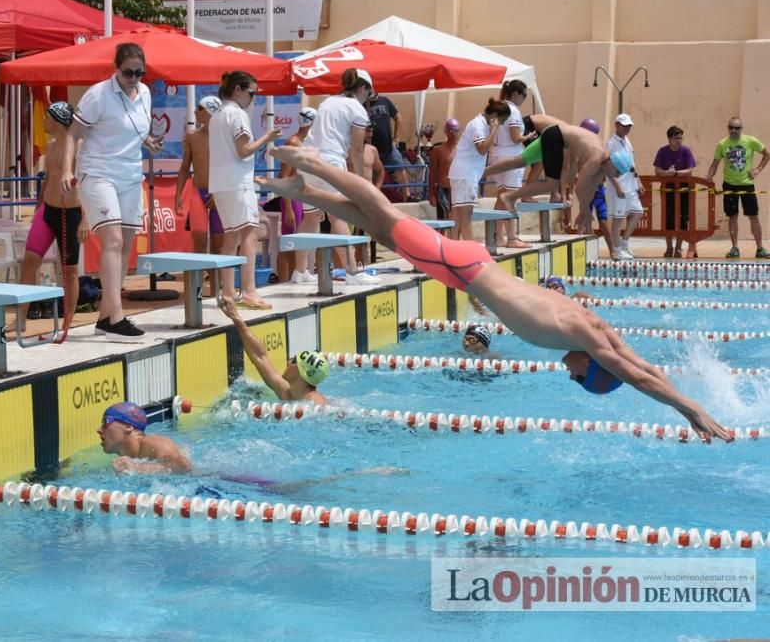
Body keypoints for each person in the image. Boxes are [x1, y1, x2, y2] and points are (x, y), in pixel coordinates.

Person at [256, 144, 731, 440]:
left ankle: (306, 189)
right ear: (593, 368)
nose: (570, 376)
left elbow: (638, 364)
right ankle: (317, 166)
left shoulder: (593, 331)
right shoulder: (588, 340)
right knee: (382, 212)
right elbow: (638, 375)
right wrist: (690, 409)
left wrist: (690, 399)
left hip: (468, 267)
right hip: (459, 266)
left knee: (380, 228)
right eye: (579, 379)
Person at [59, 43, 163, 338]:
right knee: (113, 241)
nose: (134, 78)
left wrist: (148, 142)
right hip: (98, 172)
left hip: (130, 174)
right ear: (116, 68)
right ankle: (117, 318)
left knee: (125, 245)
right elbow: (73, 134)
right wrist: (67, 169)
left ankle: (105, 317)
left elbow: (131, 130)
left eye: (139, 72)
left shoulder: (144, 93)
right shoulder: (98, 95)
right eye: (128, 72)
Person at [100, 401, 405, 488]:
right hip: (213, 478)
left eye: (106, 421)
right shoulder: (143, 449)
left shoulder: (153, 442)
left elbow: (183, 467)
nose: (100, 430)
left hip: (222, 477)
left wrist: (136, 468)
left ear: (128, 428)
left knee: (292, 489)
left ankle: (365, 475)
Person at [482, 114, 631, 236]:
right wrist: (585, 211)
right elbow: (580, 188)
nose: (615, 176)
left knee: (519, 161)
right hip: (555, 137)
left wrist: (583, 212)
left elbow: (591, 188)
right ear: (613, 163)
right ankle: (509, 196)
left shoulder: (604, 164)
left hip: (553, 134)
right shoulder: (597, 158)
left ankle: (481, 172)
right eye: (617, 172)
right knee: (552, 184)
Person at [208, 71, 282, 310]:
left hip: (220, 184)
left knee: (230, 238)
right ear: (238, 90)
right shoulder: (237, 115)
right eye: (252, 93)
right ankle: (249, 290)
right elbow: (244, 150)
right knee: (250, 234)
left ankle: (228, 292)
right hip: (237, 183)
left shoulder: (216, 115)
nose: (254, 98)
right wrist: (267, 138)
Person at [299, 68, 377, 286]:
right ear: (363, 88)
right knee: (338, 216)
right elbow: (357, 150)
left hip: (307, 159)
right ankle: (352, 272)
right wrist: (361, 182)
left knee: (311, 217)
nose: (367, 99)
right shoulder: (357, 110)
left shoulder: (327, 102)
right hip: (331, 161)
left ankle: (300, 271)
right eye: (369, 94)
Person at [16, 102, 89, 334]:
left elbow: (88, 183)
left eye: (46, 117)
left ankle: (67, 322)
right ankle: (20, 319)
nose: (43, 121)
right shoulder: (50, 145)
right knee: (29, 261)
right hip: (48, 211)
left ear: (57, 120)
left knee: (70, 271)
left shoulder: (79, 147)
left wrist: (87, 218)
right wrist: (38, 209)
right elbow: (48, 179)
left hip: (72, 213)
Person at [217, 293, 328, 404]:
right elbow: (260, 357)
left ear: (304, 372)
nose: (288, 362)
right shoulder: (287, 392)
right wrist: (235, 316)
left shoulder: (315, 401)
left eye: (294, 361)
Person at [704, 117, 770, 259]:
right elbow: (715, 163)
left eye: (737, 128)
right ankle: (734, 248)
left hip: (746, 184)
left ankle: (760, 248)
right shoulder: (722, 144)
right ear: (728, 127)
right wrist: (709, 177)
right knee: (732, 217)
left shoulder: (750, 141)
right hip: (729, 185)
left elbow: (767, 154)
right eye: (731, 127)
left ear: (741, 128)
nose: (733, 130)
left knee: (754, 217)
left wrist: (758, 169)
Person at [448, 99, 511, 242]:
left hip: (462, 175)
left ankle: (452, 248)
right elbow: (482, 149)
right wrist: (494, 130)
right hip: (465, 175)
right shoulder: (478, 125)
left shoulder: (480, 125)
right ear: (494, 115)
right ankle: (472, 251)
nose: (500, 124)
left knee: (457, 216)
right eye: (501, 121)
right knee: (465, 216)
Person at [489, 81, 537, 248]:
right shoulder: (513, 111)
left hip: (496, 155)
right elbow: (516, 137)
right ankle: (511, 237)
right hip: (511, 157)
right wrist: (529, 136)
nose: (524, 99)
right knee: (510, 197)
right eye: (524, 95)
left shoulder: (498, 107)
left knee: (501, 197)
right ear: (516, 94)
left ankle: (497, 236)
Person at [175, 95, 223, 257]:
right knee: (199, 246)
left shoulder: (225, 138)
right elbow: (184, 168)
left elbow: (230, 169)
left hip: (220, 195)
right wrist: (178, 195)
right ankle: (198, 283)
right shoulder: (192, 136)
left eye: (199, 108)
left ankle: (217, 283)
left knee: (219, 248)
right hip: (198, 193)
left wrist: (219, 193)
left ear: (211, 112)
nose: (195, 111)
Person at [271, 106, 315, 283]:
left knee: (300, 242)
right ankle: (283, 282)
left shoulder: (305, 143)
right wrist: (288, 207)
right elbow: (283, 176)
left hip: (303, 198)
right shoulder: (293, 143)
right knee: (289, 244)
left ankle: (298, 273)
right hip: (293, 199)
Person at [564, 118, 615, 258]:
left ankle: (612, 251)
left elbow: (605, 170)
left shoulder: (597, 147)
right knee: (585, 222)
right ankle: (586, 255)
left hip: (598, 189)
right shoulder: (576, 149)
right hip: (585, 191)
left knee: (603, 221)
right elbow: (571, 170)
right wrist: (570, 190)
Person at [653, 125, 698, 258]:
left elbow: (689, 170)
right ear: (669, 138)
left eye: (680, 138)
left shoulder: (686, 151)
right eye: (676, 138)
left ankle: (678, 248)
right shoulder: (662, 151)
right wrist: (667, 173)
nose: (679, 140)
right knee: (669, 219)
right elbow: (657, 170)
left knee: (683, 219)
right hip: (668, 190)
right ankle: (669, 247)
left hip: (684, 189)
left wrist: (676, 173)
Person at [605, 114, 645, 260]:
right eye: (624, 125)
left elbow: (632, 165)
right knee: (618, 219)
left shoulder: (627, 141)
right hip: (619, 188)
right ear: (616, 125)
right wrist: (617, 187)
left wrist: (638, 182)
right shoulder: (611, 144)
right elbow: (608, 168)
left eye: (629, 126)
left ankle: (624, 243)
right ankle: (617, 250)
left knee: (637, 213)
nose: (627, 128)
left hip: (631, 186)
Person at [367, 91, 411, 201]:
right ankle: (373, 198)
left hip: (388, 147)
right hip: (372, 148)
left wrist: (396, 138)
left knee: (399, 167)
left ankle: (407, 196)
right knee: (372, 173)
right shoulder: (362, 104)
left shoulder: (384, 100)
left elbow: (398, 117)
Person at [427, 119, 459, 220]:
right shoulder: (438, 150)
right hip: (443, 190)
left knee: (456, 221)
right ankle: (442, 236)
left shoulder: (461, 150)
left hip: (457, 190)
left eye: (456, 131)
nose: (454, 133)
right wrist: (431, 193)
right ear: (446, 132)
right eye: (451, 130)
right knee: (443, 221)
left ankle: (454, 237)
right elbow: (432, 172)